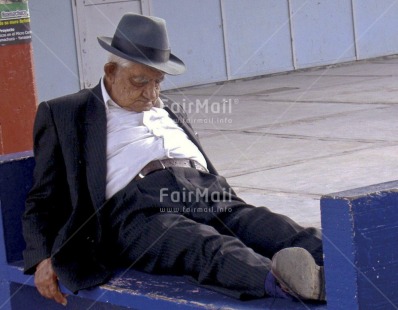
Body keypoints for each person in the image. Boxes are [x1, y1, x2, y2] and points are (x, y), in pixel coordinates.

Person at [22, 13, 325, 306]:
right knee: (201, 244)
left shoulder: (168, 108)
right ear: (110, 71)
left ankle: (345, 261)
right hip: (138, 209)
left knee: (266, 225)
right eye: (140, 81)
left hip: (205, 189)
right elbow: (42, 196)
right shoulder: (67, 111)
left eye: (158, 82)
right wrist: (41, 257)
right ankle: (285, 282)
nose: (151, 93)